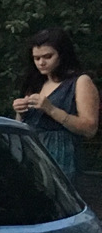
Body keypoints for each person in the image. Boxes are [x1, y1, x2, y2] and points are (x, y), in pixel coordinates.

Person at [12, 26, 99, 179]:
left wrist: (51, 109)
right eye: (36, 58)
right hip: (32, 156)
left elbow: (89, 128)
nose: (41, 63)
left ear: (62, 55)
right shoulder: (35, 83)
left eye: (48, 56)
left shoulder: (80, 82)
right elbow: (23, 127)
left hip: (63, 158)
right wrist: (20, 113)